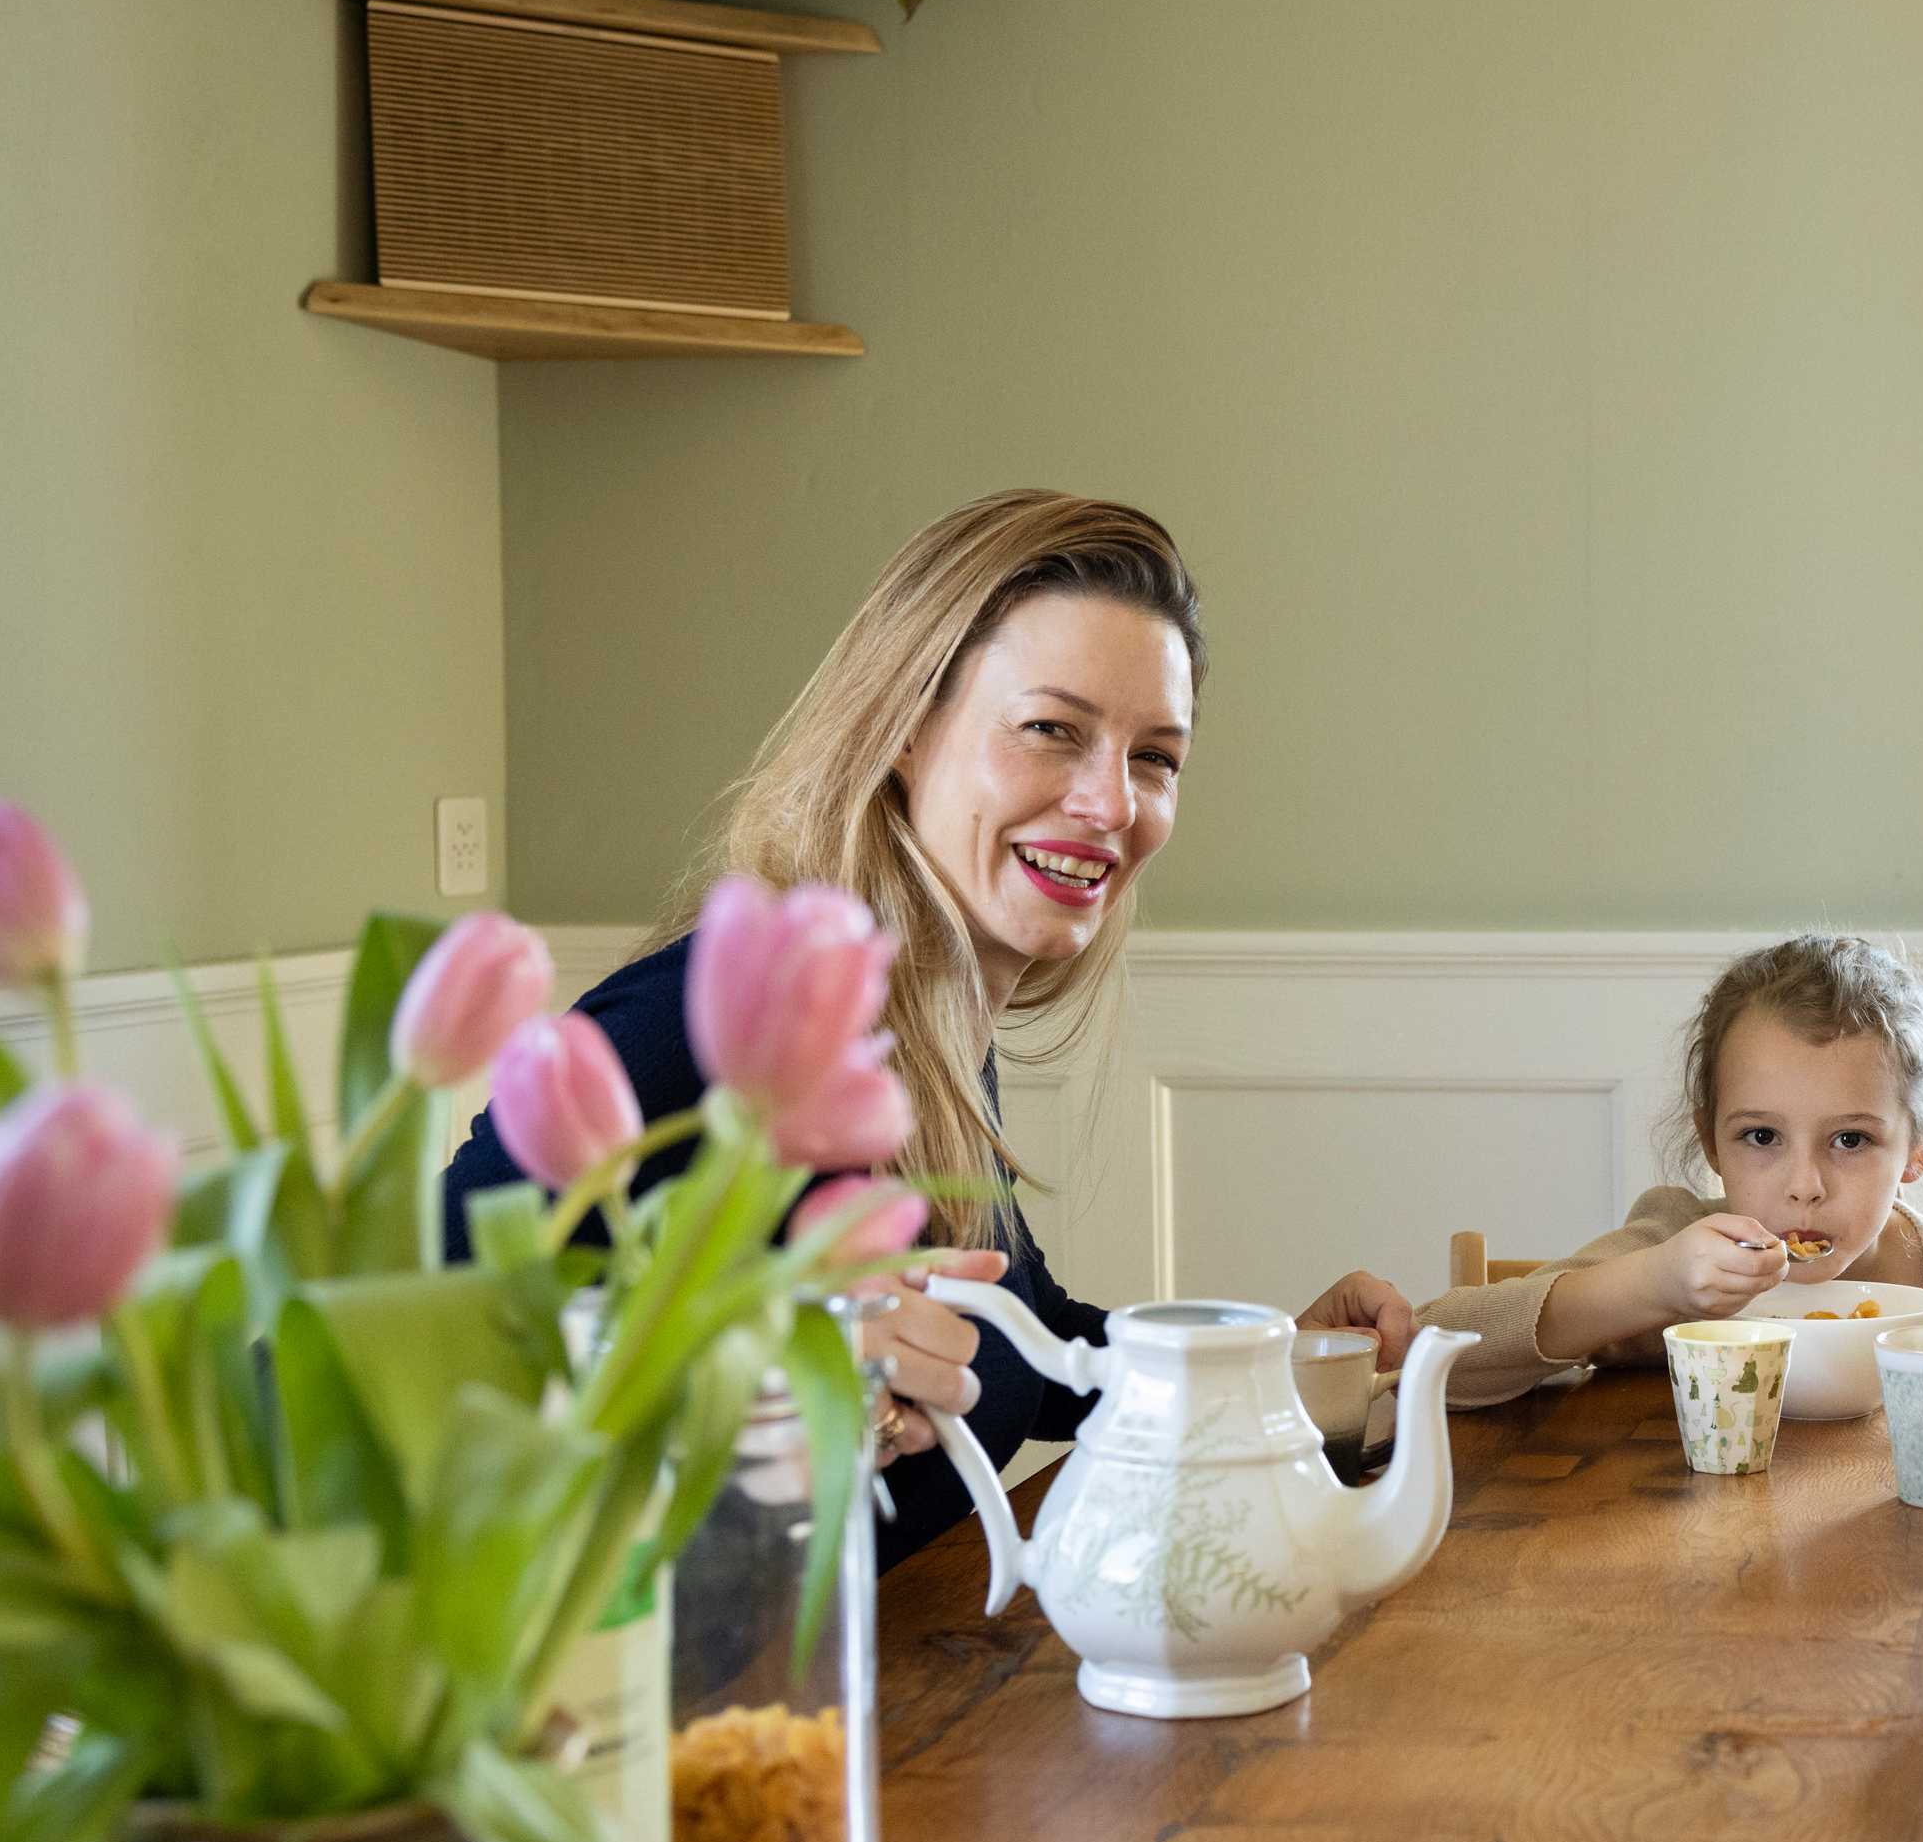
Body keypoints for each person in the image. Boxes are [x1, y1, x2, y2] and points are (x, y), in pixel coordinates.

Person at [442, 493, 1415, 1573]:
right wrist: (766, 1378)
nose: (1111, 802)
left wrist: (1267, 1359)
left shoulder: (928, 1024)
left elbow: (1029, 1346)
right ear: (903, 727)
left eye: (1155, 757)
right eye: (1052, 729)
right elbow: (368, 1384)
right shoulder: (700, 1026)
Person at [1420, 934, 1923, 1407]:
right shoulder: (1673, 1251)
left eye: (1850, 1139)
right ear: (1710, 1140)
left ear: (1918, 1150)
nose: (1804, 1186)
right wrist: (1651, 1286)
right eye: (1761, 1136)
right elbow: (1424, 1359)